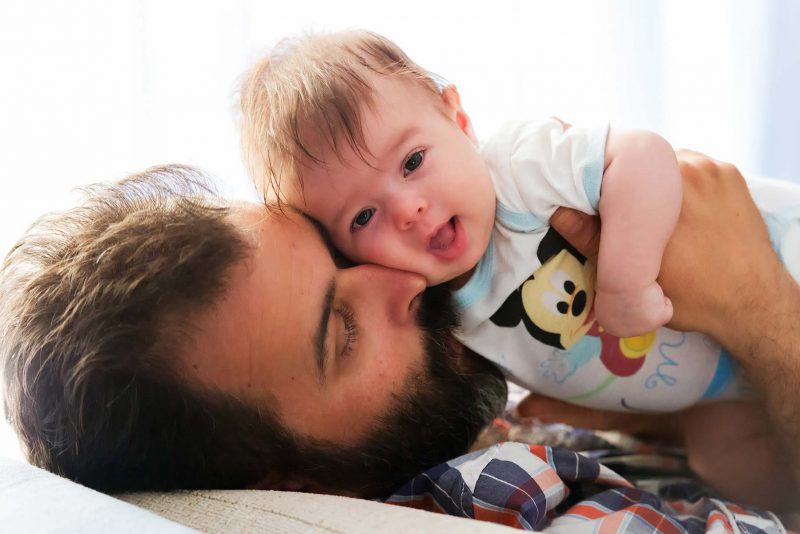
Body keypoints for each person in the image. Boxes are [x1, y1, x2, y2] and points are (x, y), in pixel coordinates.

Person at [1, 152, 798, 515]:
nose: (408, 276)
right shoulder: (501, 504)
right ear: (291, 484)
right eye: (339, 332)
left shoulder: (490, 417)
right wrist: (758, 306)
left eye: (341, 252)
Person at [239, 30, 800, 417]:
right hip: (745, 381)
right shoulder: (438, 311)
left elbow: (645, 156)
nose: (408, 210)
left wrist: (627, 280)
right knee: (731, 463)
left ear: (457, 119)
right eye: (363, 216)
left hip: (778, 255)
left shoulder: (516, 171)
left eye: (412, 162)